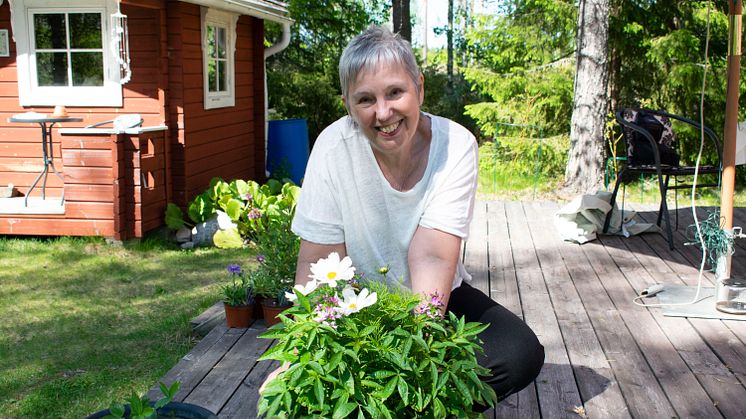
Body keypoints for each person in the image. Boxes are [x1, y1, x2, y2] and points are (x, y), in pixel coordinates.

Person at [263, 25, 544, 406]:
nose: (383, 112)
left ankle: (397, 402)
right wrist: (299, 353)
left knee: (518, 352)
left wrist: (409, 359)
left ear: (419, 89)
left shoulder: (455, 146)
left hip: (432, 302)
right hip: (354, 304)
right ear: (347, 105)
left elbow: (431, 257)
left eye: (395, 92)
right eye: (365, 99)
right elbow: (317, 263)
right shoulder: (332, 147)